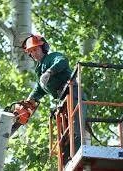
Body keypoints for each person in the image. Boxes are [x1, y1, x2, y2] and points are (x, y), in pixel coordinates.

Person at [21, 34, 87, 165]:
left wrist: (50, 72)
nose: (33, 53)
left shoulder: (52, 57)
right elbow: (39, 89)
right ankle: (67, 161)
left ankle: (78, 156)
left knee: (75, 128)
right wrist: (29, 101)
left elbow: (62, 62)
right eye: (31, 51)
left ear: (43, 48)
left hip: (73, 94)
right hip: (63, 102)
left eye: (35, 49)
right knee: (64, 135)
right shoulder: (39, 70)